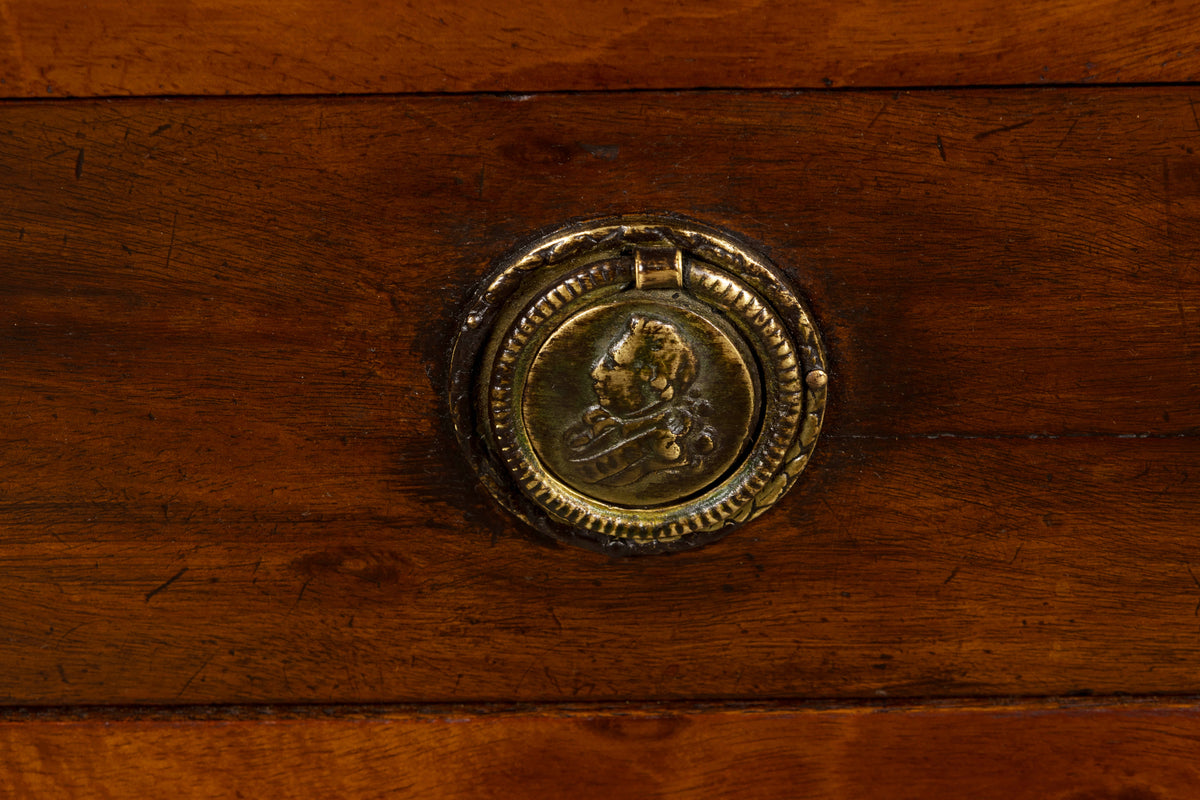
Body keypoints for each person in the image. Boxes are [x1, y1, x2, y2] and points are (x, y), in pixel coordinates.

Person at [564, 314, 716, 488]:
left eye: (612, 364)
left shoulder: (664, 453)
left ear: (654, 379)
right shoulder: (601, 427)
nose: (596, 372)